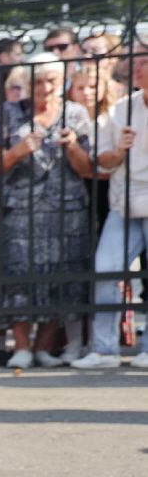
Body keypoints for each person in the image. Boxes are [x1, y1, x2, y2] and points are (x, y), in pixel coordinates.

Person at [0, 54, 93, 370]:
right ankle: (20, 347)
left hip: (67, 209)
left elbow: (89, 169)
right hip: (21, 208)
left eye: (51, 81)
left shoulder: (76, 114)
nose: (45, 88)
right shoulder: (8, 112)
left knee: (62, 277)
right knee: (20, 275)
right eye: (38, 82)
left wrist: (72, 146)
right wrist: (19, 151)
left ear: (61, 84)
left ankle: (43, 346)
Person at [73, 48, 148, 369]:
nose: (136, 67)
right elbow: (101, 160)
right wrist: (120, 150)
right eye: (135, 61)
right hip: (124, 202)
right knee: (105, 269)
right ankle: (104, 349)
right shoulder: (121, 109)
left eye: (144, 60)